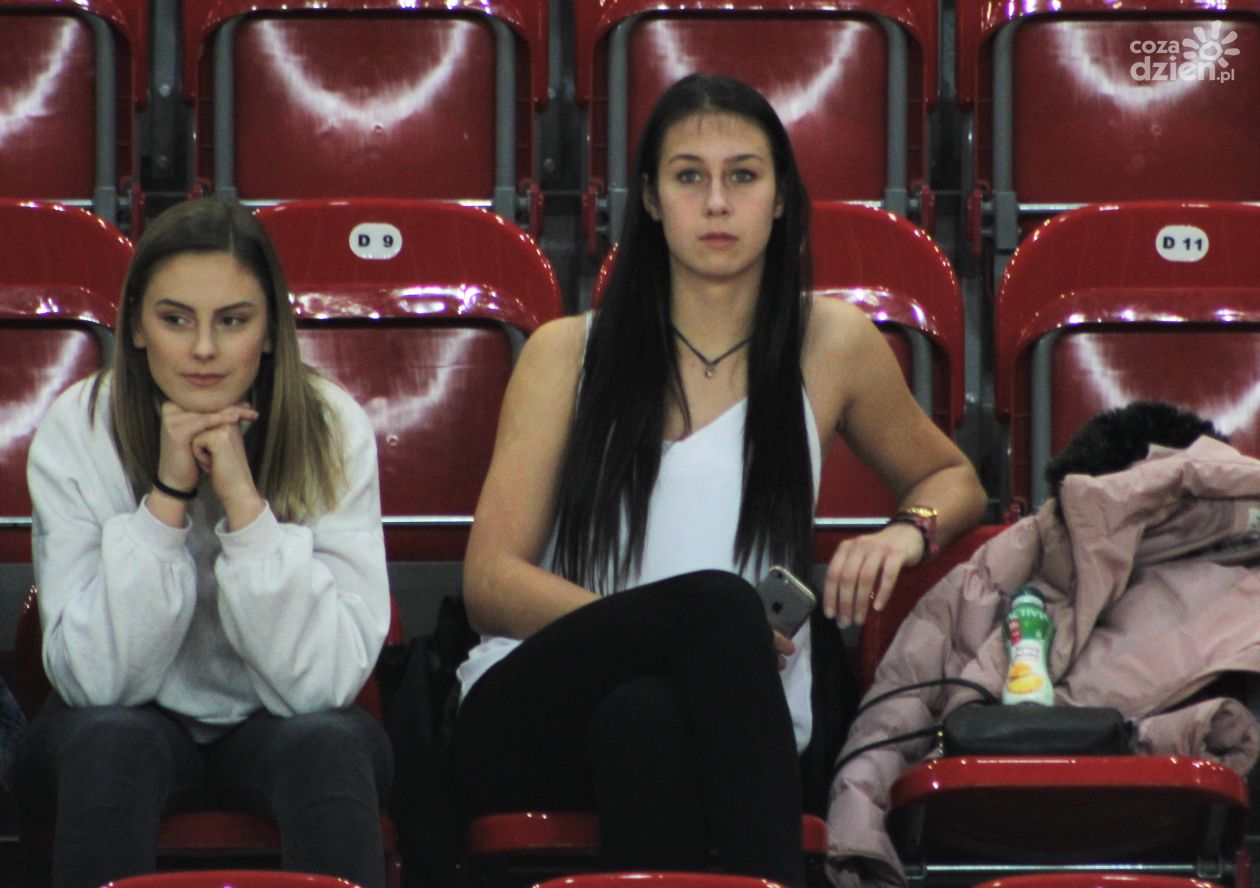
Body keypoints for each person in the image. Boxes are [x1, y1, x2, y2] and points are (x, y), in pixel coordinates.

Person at [450, 73, 987, 886]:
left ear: (780, 198)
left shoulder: (830, 343)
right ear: (651, 200)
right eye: (688, 176)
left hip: (718, 717)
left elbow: (954, 476)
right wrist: (679, 632)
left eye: (743, 175)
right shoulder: (566, 352)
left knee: (648, 717)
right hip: (535, 704)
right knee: (715, 609)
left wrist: (905, 532)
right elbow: (490, 583)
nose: (716, 202)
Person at [15, 198, 393, 888]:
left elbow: (325, 683)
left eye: (233, 321)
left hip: (281, 717)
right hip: (125, 718)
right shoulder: (79, 427)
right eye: (176, 319)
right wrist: (167, 498)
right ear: (136, 326)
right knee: (108, 743)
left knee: (330, 747)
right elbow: (95, 683)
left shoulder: (332, 425)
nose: (204, 350)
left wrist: (245, 508)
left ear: (271, 332)